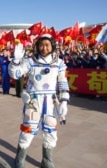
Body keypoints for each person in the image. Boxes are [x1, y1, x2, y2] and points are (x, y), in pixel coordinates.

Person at [8, 34, 70, 168]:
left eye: (47, 45)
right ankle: (19, 158)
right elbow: (15, 74)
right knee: (28, 129)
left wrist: (64, 100)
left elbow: (63, 82)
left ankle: (47, 160)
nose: (44, 48)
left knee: (50, 130)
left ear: (52, 46)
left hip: (50, 101)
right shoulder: (30, 62)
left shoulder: (59, 63)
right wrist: (16, 61)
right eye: (41, 45)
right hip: (34, 101)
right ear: (37, 46)